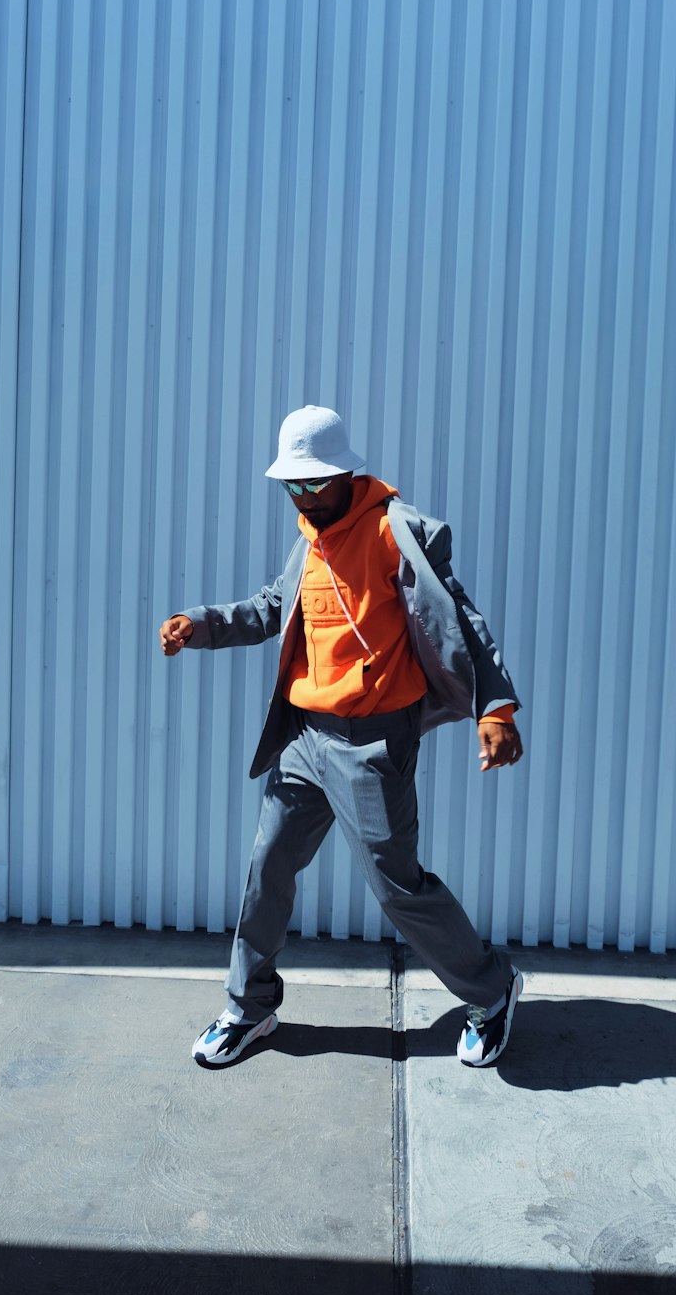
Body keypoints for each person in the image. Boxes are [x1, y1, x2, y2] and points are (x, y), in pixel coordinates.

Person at [159, 405, 524, 1069]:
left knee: (397, 888)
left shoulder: (393, 531)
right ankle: (250, 1008)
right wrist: (202, 623)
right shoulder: (310, 542)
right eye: (291, 485)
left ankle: (493, 991)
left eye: (312, 483)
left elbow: (458, 619)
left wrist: (494, 707)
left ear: (345, 473)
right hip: (304, 737)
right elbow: (274, 608)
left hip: (372, 746)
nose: (301, 495)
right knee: (267, 868)